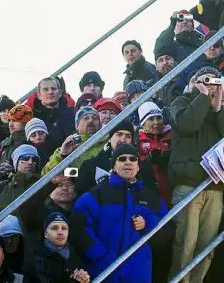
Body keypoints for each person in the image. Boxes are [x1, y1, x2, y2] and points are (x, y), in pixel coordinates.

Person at [168, 67, 224, 283]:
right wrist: (200, 96)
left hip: (215, 187)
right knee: (185, 245)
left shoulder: (220, 110)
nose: (210, 85)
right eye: (205, 80)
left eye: (214, 81)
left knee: (206, 247)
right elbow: (187, 124)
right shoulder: (180, 102)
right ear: (194, 82)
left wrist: (219, 109)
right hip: (188, 186)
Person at [72, 144, 168, 283]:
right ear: (114, 166)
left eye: (132, 159)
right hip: (104, 273)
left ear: (138, 166)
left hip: (138, 275)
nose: (128, 162)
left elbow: (167, 229)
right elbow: (78, 226)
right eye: (122, 159)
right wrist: (99, 254)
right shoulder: (96, 194)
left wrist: (148, 223)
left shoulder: (151, 197)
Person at [0, 145, 53, 236]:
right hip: (5, 240)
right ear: (16, 161)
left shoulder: (44, 185)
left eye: (34, 159)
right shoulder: (0, 188)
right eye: (25, 158)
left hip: (37, 240)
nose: (30, 162)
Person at [76, 120, 136, 195]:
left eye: (128, 136)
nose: (123, 140)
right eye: (119, 134)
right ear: (110, 139)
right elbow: (81, 195)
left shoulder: (139, 165)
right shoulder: (90, 165)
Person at [30, 212, 89, 283]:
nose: (60, 232)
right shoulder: (38, 260)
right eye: (54, 228)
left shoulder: (75, 252)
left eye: (64, 228)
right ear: (46, 234)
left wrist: (84, 278)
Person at [42, 107, 104, 175]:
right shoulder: (66, 147)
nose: (90, 120)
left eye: (94, 118)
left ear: (100, 124)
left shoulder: (109, 143)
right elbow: (45, 175)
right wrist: (63, 155)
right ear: (77, 126)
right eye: (85, 118)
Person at [137, 102, 173, 206]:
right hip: (150, 191)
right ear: (143, 123)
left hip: (171, 188)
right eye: (151, 119)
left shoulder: (172, 135)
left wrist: (166, 156)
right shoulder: (137, 140)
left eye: (159, 118)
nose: (156, 122)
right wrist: (147, 160)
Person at [0, 105, 33, 181]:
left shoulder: (35, 141)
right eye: (9, 120)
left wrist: (14, 170)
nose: (10, 125)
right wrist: (0, 172)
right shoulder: (2, 146)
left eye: (15, 121)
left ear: (26, 122)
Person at [31, 77, 76, 145]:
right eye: (46, 89)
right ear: (39, 95)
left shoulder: (73, 113)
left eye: (53, 89)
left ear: (60, 92)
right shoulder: (32, 118)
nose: (50, 92)